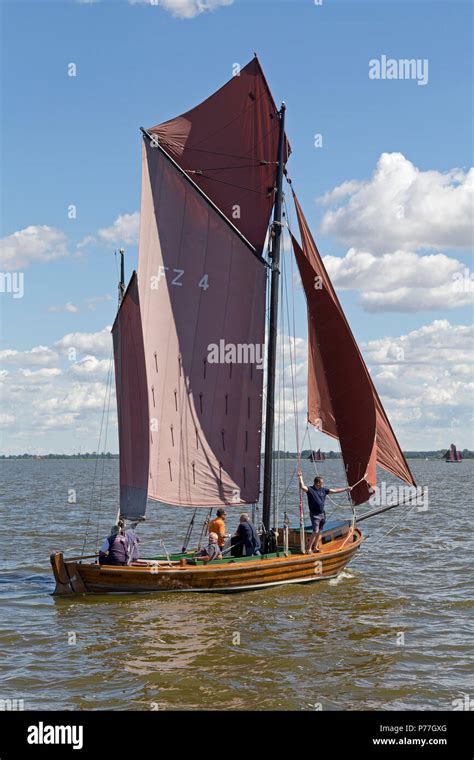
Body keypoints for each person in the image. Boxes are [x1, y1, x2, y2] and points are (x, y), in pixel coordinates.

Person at [298, 473, 351, 554]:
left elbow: (334, 491)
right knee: (315, 531)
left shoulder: (323, 490)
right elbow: (302, 487)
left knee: (319, 531)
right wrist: (300, 477)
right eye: (322, 482)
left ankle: (315, 547)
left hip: (322, 514)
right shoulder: (310, 490)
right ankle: (308, 549)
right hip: (315, 515)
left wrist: (345, 489)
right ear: (318, 483)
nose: (323, 484)